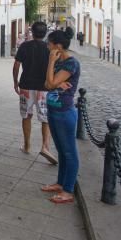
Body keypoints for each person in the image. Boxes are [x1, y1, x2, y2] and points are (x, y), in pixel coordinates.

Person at [41, 28, 81, 205]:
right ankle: (60, 183)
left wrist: (50, 62)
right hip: (54, 110)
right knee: (62, 151)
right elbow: (47, 83)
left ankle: (68, 190)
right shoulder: (59, 62)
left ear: (58, 45)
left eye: (49, 44)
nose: (47, 46)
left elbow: (50, 83)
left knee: (69, 152)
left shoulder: (71, 63)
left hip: (65, 112)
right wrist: (53, 71)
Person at [13, 21, 56, 164]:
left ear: (32, 32)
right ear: (45, 34)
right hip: (44, 88)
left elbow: (16, 65)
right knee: (45, 118)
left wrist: (15, 82)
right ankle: (45, 146)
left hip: (26, 85)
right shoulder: (49, 48)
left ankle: (27, 145)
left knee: (26, 116)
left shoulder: (25, 46)